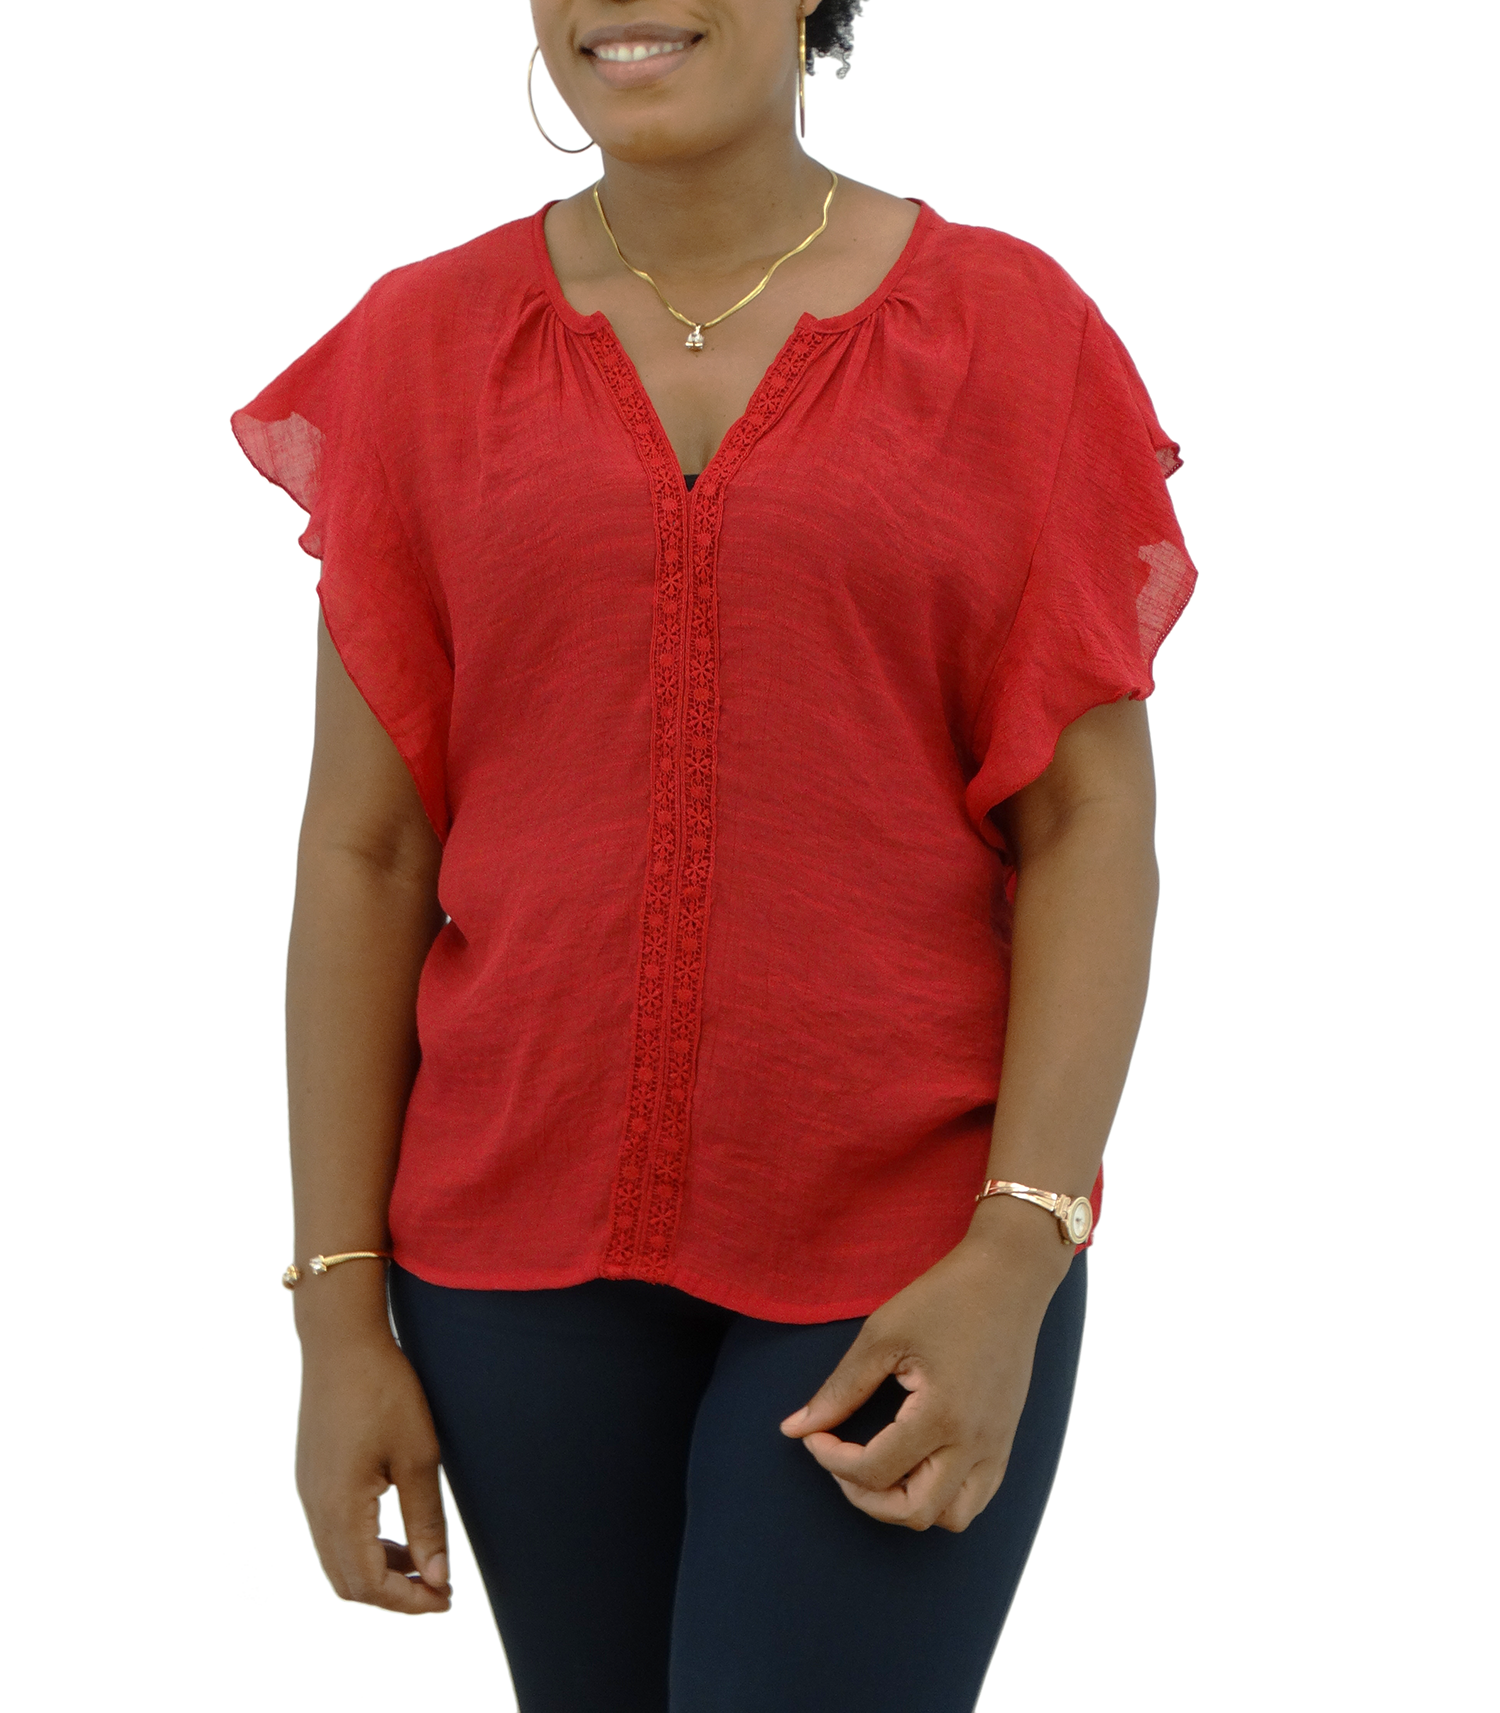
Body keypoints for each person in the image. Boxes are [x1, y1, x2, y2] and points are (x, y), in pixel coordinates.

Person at [232, 3, 1197, 1708]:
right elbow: (369, 851)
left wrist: (1017, 1249)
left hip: (907, 1249)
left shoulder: (1010, 333)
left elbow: (1088, 823)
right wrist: (334, 1311)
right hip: (504, 1260)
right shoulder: (423, 346)